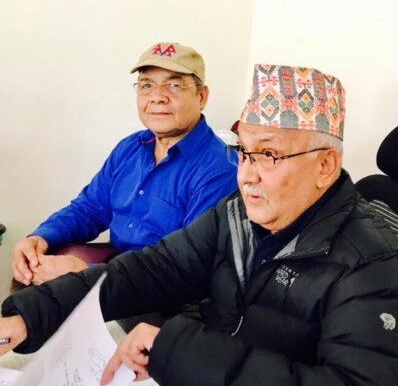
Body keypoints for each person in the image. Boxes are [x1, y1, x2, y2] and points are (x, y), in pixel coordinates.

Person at [0, 64, 398, 386]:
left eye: (268, 155)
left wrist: (178, 351)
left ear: (325, 165)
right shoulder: (236, 214)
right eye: (244, 152)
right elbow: (154, 267)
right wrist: (31, 316)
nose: (247, 175)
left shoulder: (371, 264)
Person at [10, 42, 237, 287]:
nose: (157, 97)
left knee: (40, 300)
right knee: (29, 278)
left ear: (201, 96)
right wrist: (41, 236)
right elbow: (90, 208)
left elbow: (187, 266)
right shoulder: (130, 148)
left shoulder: (219, 168)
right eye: (147, 85)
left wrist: (88, 274)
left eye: (174, 85)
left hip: (159, 291)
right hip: (116, 269)